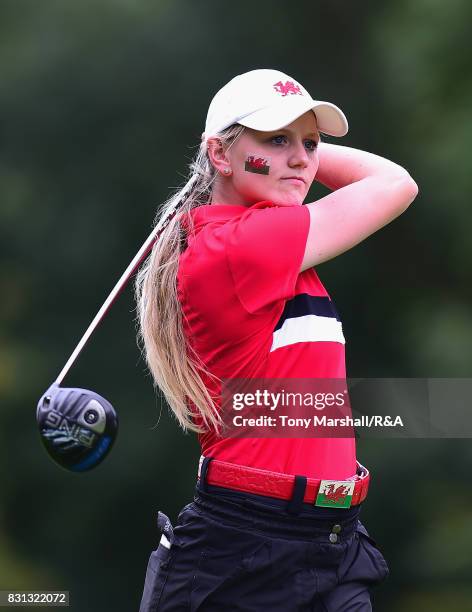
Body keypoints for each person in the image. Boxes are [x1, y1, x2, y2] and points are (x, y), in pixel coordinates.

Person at [135, 68, 418, 611]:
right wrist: (296, 163)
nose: (300, 157)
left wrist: (282, 159)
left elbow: (387, 183)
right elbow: (394, 184)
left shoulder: (277, 242)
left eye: (310, 143)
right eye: (277, 139)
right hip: (247, 553)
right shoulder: (240, 249)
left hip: (333, 539)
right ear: (220, 154)